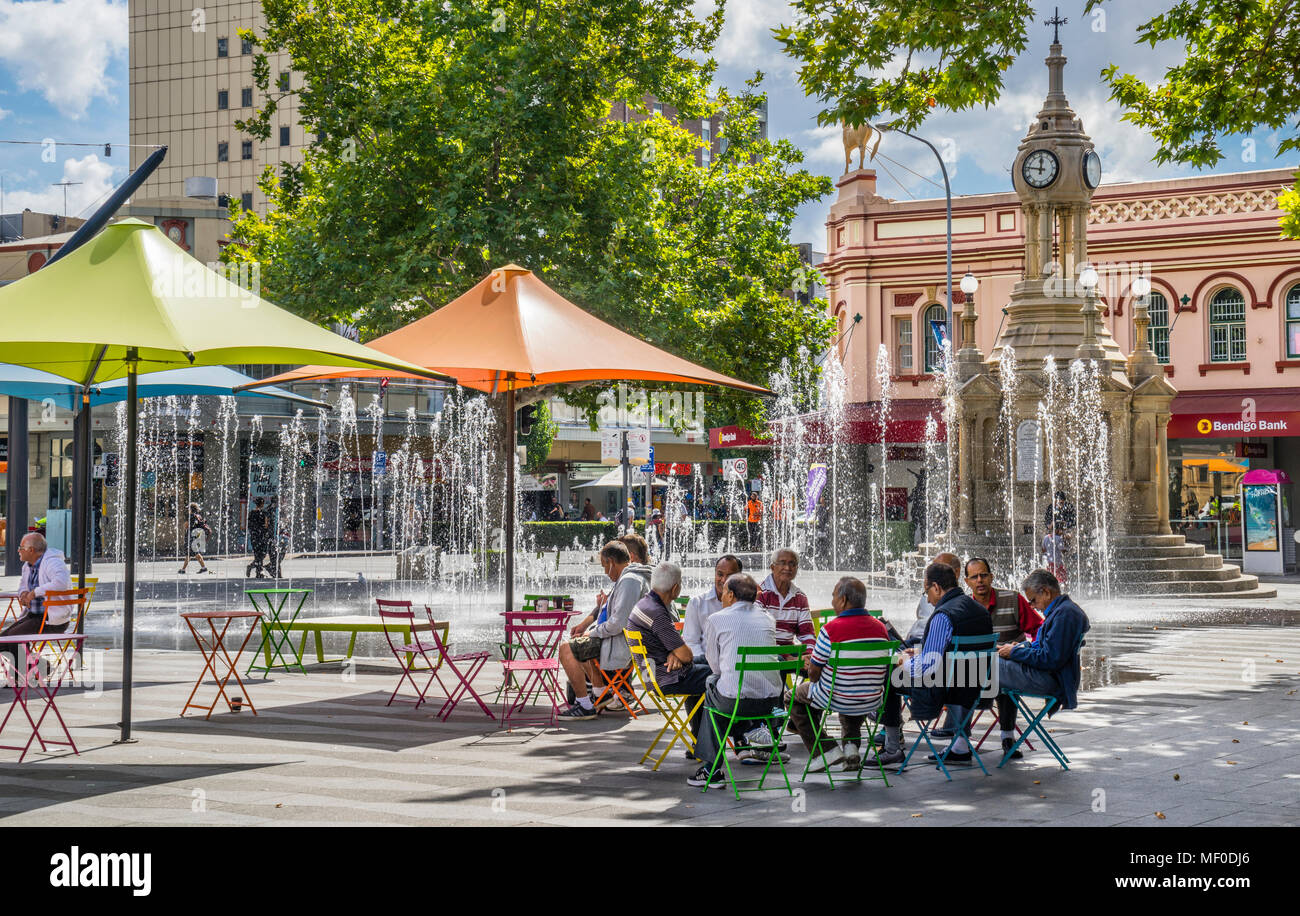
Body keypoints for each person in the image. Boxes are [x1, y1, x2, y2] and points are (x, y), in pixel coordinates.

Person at [875, 563, 993, 767]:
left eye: (926, 591)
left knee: (889, 673)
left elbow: (927, 667)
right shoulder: (979, 610)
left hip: (945, 688)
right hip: (977, 684)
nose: (928, 599)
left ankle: (892, 747)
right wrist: (919, 652)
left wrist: (903, 661)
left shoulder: (943, 615)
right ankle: (961, 746)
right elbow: (955, 649)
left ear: (936, 587)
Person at [688, 573, 786, 788]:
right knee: (727, 688)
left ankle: (711, 769)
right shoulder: (768, 618)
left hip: (736, 703)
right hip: (771, 705)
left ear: (731, 595)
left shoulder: (717, 619)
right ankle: (752, 730)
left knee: (712, 685)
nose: (722, 597)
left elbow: (715, 666)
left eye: (724, 592)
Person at [788, 576, 891, 772]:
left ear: (843, 600)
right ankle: (851, 747)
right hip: (871, 699)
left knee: (793, 698)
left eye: (834, 596)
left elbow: (814, 675)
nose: (832, 601)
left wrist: (814, 668)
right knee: (852, 686)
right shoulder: (881, 628)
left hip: (838, 697)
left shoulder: (831, 630)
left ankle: (825, 751)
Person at [996, 569, 1090, 757]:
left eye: (1033, 600)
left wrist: (1015, 652)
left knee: (979, 665)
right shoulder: (1063, 611)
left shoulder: (1065, 615)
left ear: (1046, 592)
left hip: (1051, 680)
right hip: (1049, 676)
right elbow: (1044, 648)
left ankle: (958, 737)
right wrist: (1020, 648)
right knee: (986, 664)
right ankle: (967, 733)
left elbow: (1050, 659)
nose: (1032, 606)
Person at [963, 557, 1044, 759]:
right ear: (967, 581)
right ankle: (961, 741)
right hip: (977, 671)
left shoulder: (1013, 599)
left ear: (991, 577)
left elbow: (1039, 630)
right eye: (974, 577)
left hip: (1009, 666)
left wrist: (1024, 647)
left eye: (983, 575)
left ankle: (1008, 737)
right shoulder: (963, 607)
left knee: (1004, 673)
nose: (979, 580)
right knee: (962, 674)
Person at [558, 540, 649, 720]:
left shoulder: (630, 580)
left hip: (624, 646)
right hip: (627, 642)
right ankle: (601, 692)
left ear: (611, 562)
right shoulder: (632, 578)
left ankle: (585, 706)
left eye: (604, 566)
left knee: (566, 648)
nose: (605, 572)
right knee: (579, 643)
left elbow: (618, 623)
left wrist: (592, 632)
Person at [627, 561, 711, 747]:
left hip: (653, 674)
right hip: (666, 678)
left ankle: (698, 740)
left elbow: (679, 652)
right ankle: (720, 738)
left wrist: (674, 653)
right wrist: (676, 653)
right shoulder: (657, 613)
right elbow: (686, 656)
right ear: (675, 588)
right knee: (719, 675)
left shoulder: (644, 605)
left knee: (708, 662)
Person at [0, 533, 73, 673]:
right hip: (33, 616)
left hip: (52, 620)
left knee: (14, 638)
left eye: (21, 548)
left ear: (31, 550)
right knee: (2, 642)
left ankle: (22, 677)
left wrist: (34, 593)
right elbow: (23, 586)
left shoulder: (53, 562)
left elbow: (62, 583)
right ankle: (38, 665)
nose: (18, 550)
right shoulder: (27, 566)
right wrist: (23, 593)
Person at [682, 554, 743, 669]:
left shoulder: (746, 605)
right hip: (706, 665)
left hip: (738, 665)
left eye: (730, 576)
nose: (724, 580)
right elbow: (691, 642)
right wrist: (709, 663)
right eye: (720, 574)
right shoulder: (697, 603)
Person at [758, 548, 814, 647]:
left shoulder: (800, 597)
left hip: (788, 651)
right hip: (765, 651)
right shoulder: (760, 593)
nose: (787, 568)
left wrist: (809, 653)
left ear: (797, 568)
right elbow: (757, 634)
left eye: (792, 564)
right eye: (782, 563)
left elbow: (807, 634)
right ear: (772, 567)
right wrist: (784, 654)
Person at [178, 502, 212, 574]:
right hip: (196, 536)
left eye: (189, 509)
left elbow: (186, 526)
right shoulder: (198, 516)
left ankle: (203, 567)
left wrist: (185, 525)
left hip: (191, 537)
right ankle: (183, 569)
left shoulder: (191, 516)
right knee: (189, 553)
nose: (188, 510)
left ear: (191, 509)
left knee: (195, 553)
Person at [246, 497, 271, 578]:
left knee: (257, 554)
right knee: (262, 554)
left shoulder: (251, 513)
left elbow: (249, 525)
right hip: (262, 536)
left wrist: (253, 532)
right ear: (262, 504)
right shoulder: (264, 512)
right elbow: (266, 525)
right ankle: (258, 572)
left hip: (254, 536)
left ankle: (256, 570)